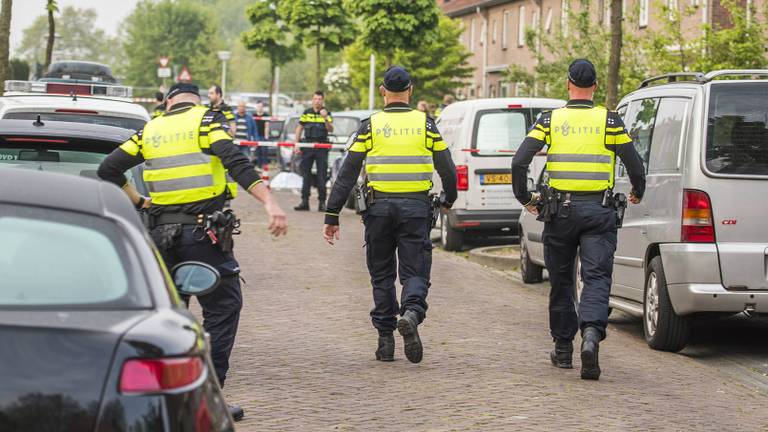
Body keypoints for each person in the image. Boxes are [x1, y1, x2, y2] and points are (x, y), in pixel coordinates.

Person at [97, 83, 288, 421]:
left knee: (167, 316)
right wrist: (270, 202)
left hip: (160, 238)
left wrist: (141, 201)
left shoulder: (150, 129)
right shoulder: (205, 121)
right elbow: (236, 162)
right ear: (196, 100)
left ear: (169, 101)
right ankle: (207, 397)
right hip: (202, 236)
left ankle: (158, 402)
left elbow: (108, 169)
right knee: (224, 305)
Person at [511, 59, 646, 380]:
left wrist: (526, 199)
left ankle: (562, 350)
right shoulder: (609, 121)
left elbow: (519, 161)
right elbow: (635, 164)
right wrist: (638, 191)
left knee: (560, 281)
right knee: (596, 278)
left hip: (560, 213)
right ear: (595, 87)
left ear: (568, 85)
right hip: (599, 212)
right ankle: (590, 335)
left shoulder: (550, 120)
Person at [323, 66, 457, 364]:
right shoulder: (426, 124)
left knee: (381, 274)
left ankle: (385, 342)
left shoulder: (370, 126)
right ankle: (411, 312)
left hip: (378, 209)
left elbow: (346, 173)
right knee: (416, 270)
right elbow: (446, 167)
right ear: (411, 90)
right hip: (415, 208)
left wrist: (331, 215)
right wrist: (449, 197)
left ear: (383, 90)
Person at [294, 90, 334, 212]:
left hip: (322, 147)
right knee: (306, 175)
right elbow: (299, 128)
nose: (317, 101)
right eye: (315, 99)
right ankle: (304, 202)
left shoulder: (327, 113)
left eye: (319, 99)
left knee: (322, 175)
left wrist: (325, 118)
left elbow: (331, 129)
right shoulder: (307, 113)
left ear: (323, 100)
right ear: (312, 100)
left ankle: (322, 203)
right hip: (308, 146)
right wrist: (296, 144)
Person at [253, 101, 271, 168]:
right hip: (256, 136)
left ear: (263, 107)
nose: (260, 108)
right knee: (258, 151)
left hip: (263, 135)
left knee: (264, 151)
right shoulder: (254, 115)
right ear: (256, 107)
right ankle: (259, 166)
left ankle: (265, 165)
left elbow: (267, 126)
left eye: (261, 107)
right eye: (258, 106)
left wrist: (266, 137)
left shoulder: (266, 115)